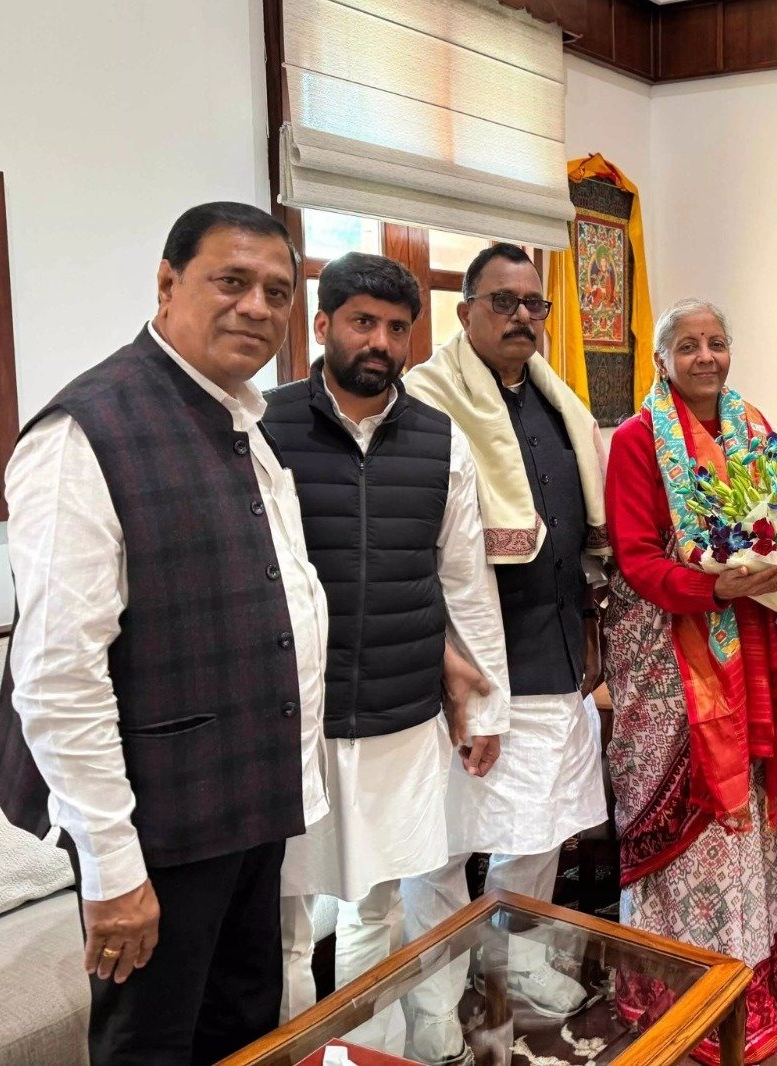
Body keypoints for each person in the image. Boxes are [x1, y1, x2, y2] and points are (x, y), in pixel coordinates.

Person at [0, 202, 328, 1064]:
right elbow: (57, 675)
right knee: (153, 1048)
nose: (256, 307)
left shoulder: (241, 417)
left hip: (248, 800)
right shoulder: (85, 432)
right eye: (232, 281)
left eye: (277, 292)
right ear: (168, 283)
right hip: (157, 822)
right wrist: (111, 867)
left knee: (244, 1029)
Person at [262, 252, 509, 1060]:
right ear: (322, 324)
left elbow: (465, 580)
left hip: (400, 715)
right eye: (363, 322)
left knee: (377, 906)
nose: (380, 342)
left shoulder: (439, 439)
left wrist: (486, 705)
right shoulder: (261, 428)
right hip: (292, 721)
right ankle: (297, 1056)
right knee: (285, 917)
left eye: (398, 328)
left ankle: (371, 1053)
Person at [601, 298, 777, 1064]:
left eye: (716, 343)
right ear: (662, 358)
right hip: (668, 661)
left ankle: (741, 984)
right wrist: (712, 589)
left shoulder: (755, 429)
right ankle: (671, 991)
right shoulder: (637, 440)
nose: (705, 357)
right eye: (689, 345)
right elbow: (637, 558)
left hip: (746, 650)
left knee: (742, 815)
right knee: (682, 811)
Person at [402, 242, 610, 1018]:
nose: (522, 316)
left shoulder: (556, 402)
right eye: (503, 301)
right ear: (465, 311)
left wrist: (588, 626)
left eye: (534, 303)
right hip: (464, 663)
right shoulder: (424, 402)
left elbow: (578, 533)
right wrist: (444, 655)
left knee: (539, 828)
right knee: (446, 838)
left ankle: (513, 964)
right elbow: (406, 547)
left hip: (551, 651)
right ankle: (436, 992)